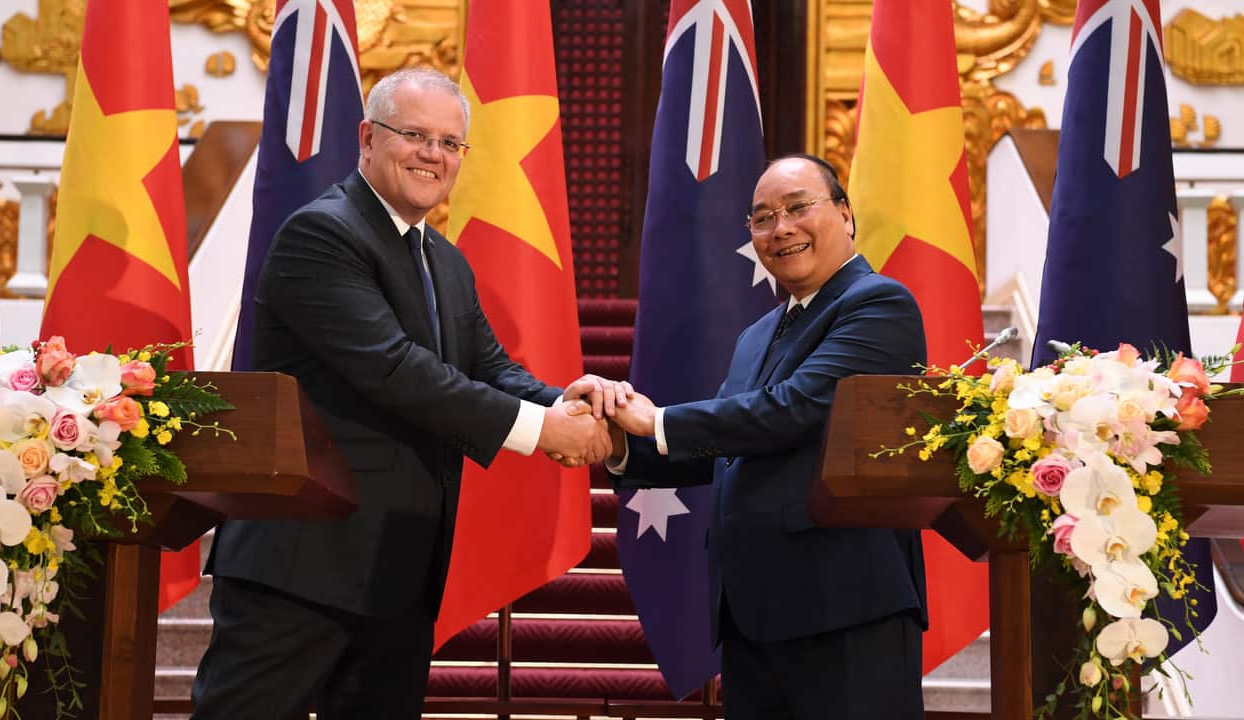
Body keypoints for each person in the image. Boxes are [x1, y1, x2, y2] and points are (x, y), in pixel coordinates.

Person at [191, 67, 616, 719]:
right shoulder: (324, 234)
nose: (433, 155)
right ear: (367, 137)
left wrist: (571, 402)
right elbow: (396, 370)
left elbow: (491, 368)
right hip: (301, 565)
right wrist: (542, 431)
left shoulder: (443, 258)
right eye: (414, 135)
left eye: (450, 143)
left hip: (398, 569)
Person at [607, 154, 930, 719]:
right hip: (754, 615)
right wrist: (614, 445)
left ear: (846, 215)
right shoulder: (759, 333)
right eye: (762, 218)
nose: (780, 228)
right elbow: (736, 448)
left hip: (846, 611)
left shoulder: (878, 303)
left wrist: (655, 420)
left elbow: (794, 410)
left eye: (799, 207)